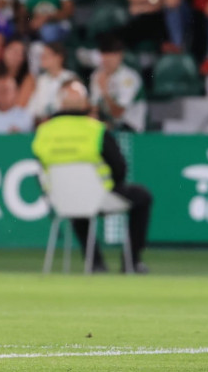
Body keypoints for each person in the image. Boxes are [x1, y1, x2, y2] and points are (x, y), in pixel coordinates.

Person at [32, 80, 152, 273]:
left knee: (76, 201)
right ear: (85, 104)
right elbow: (119, 167)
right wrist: (113, 186)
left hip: (63, 200)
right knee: (142, 196)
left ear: (60, 104)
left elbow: (39, 169)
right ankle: (131, 261)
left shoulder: (44, 132)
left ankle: (95, 263)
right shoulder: (95, 129)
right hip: (100, 196)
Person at [89, 35, 147, 132]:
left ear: (120, 56)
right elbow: (94, 108)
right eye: (104, 56)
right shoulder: (97, 75)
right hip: (109, 124)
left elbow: (118, 112)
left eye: (111, 57)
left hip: (131, 127)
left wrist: (105, 92)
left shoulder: (129, 78)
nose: (107, 61)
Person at [27, 41, 78, 123]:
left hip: (65, 123)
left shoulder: (71, 78)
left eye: (47, 55)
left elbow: (76, 106)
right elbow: (32, 109)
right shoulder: (41, 80)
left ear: (59, 58)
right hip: (43, 125)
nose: (42, 57)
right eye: (42, 55)